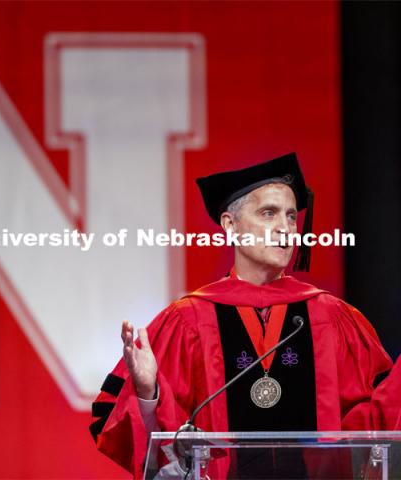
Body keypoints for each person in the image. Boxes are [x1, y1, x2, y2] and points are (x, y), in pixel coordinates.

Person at [89, 153, 401, 479]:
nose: (285, 228)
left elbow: (373, 428)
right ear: (230, 224)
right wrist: (148, 392)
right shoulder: (187, 321)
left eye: (292, 217)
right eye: (269, 213)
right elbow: (138, 435)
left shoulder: (333, 319)